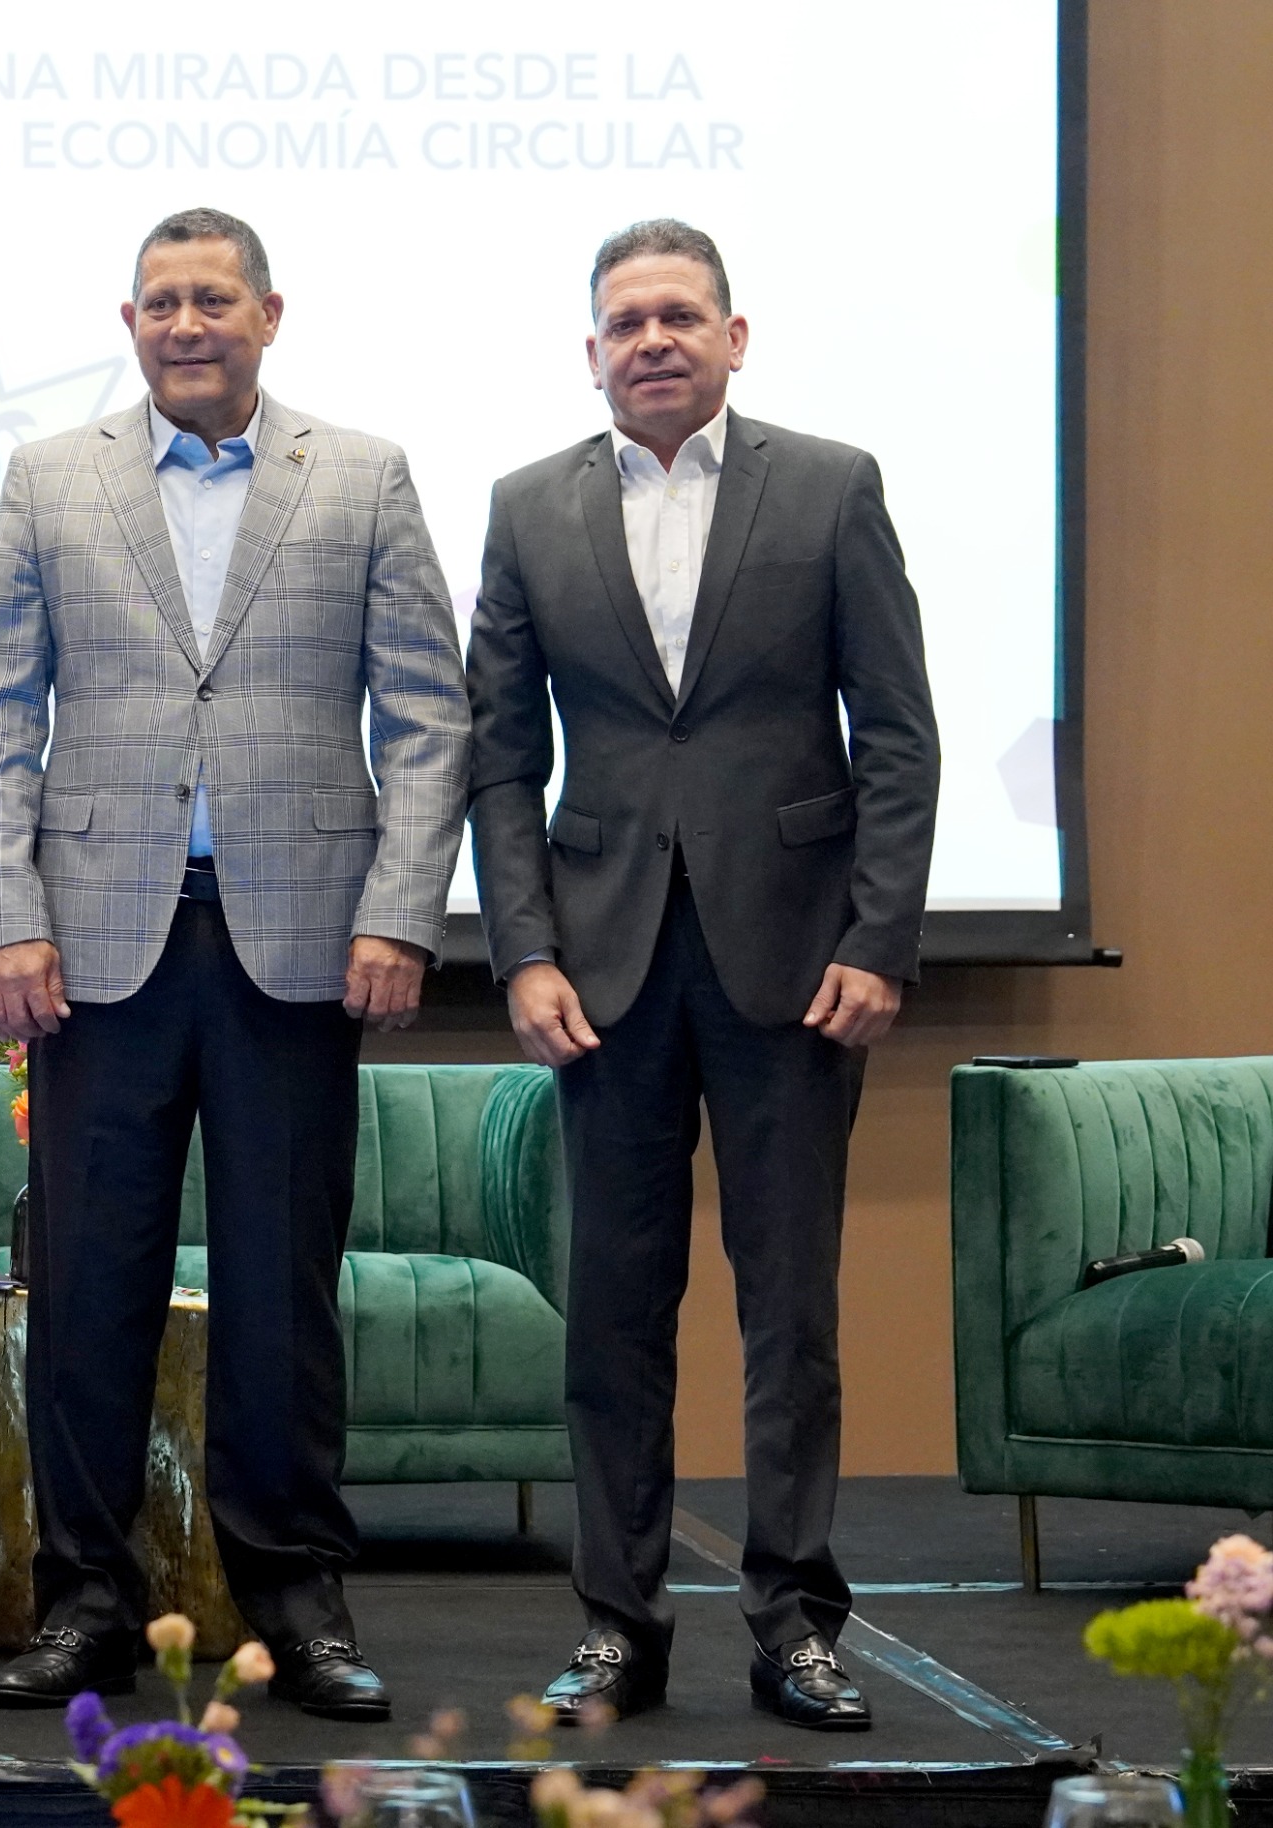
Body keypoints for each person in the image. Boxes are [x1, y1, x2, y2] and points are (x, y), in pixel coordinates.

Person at [0, 208, 469, 1721]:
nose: (187, 324)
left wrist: (401, 911)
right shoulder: (51, 478)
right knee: (87, 1289)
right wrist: (5, 915)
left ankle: (296, 1601)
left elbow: (426, 715)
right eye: (162, 301)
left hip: (300, 941)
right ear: (129, 322)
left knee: (278, 1292)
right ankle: (84, 1603)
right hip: (92, 945)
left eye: (214, 300)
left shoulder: (361, 475)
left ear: (268, 315)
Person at [466, 220, 940, 1731]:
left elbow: (899, 734)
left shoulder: (831, 487)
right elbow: (500, 758)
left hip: (796, 965)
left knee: (790, 1314)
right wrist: (523, 950)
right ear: (591, 353)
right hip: (601, 972)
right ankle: (620, 1628)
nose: (653, 340)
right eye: (626, 322)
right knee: (612, 1314)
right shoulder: (528, 507)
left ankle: (797, 1627)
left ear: (735, 338)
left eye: (680, 315)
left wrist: (878, 939)